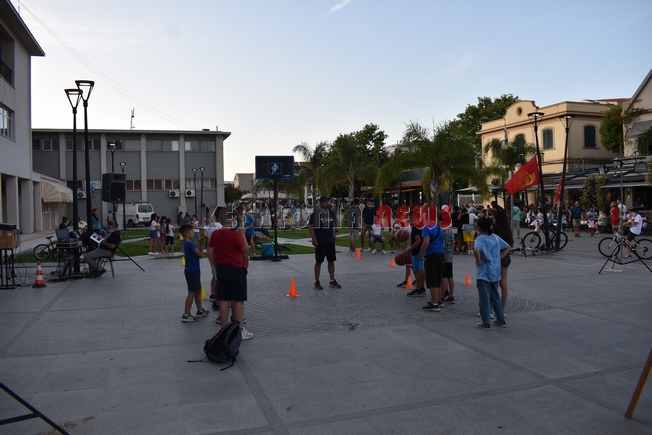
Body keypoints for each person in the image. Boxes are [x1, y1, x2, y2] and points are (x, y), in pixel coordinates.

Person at [207, 207, 253, 340]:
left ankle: (223, 329)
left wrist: (217, 265)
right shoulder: (234, 235)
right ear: (231, 219)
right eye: (234, 218)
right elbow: (245, 250)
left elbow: (210, 252)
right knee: (238, 299)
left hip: (222, 268)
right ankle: (239, 330)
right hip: (235, 269)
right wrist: (242, 234)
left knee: (223, 299)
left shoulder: (215, 234)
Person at [474, 216, 510, 330]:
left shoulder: (480, 239)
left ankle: (485, 322)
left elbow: (476, 250)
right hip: (495, 270)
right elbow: (508, 247)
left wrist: (479, 260)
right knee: (495, 296)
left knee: (484, 298)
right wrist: (499, 257)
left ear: (479, 227)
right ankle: (500, 319)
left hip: (484, 272)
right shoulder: (495, 237)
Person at [309, 196, 341, 290]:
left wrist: (336, 232)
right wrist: (314, 238)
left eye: (328, 201)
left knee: (331, 260)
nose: (327, 203)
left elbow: (336, 222)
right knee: (319, 261)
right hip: (320, 240)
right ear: (321, 203)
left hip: (330, 240)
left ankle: (332, 280)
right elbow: (311, 227)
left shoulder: (331, 212)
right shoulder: (316, 214)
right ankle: (317, 281)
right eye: (325, 202)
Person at [178, 224, 209, 322]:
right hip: (193, 271)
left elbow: (199, 253)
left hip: (191, 270)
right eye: (192, 232)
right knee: (192, 292)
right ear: (187, 234)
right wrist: (200, 247)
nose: (193, 233)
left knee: (198, 290)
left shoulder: (186, 243)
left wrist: (200, 244)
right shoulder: (190, 244)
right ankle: (186, 314)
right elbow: (201, 255)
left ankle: (200, 310)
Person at [419, 214, 445, 312]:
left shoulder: (426, 228)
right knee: (438, 278)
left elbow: (426, 242)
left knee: (432, 279)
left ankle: (434, 304)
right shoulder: (439, 228)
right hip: (441, 254)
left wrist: (421, 254)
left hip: (431, 254)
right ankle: (438, 300)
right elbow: (443, 243)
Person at [492, 207, 514, 311]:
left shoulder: (496, 230)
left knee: (493, 284)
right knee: (503, 283)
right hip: (506, 257)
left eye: (494, 218)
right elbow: (510, 243)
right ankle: (502, 308)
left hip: (497, 256)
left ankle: (491, 309)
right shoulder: (507, 229)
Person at [403, 211, 425, 296]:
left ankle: (418, 289)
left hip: (416, 252)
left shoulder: (415, 228)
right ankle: (422, 287)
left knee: (417, 271)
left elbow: (418, 241)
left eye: (409, 219)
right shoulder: (420, 226)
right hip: (421, 251)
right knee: (421, 270)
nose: (408, 221)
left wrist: (409, 250)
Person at [441, 220, 456, 304]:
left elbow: (443, 245)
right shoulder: (451, 231)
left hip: (444, 255)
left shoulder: (443, 232)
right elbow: (453, 244)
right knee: (450, 275)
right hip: (450, 255)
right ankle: (451, 295)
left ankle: (442, 296)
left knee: (444, 276)